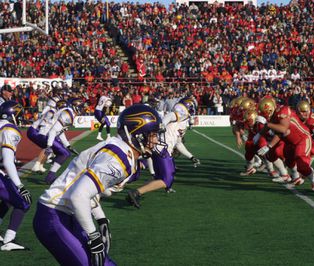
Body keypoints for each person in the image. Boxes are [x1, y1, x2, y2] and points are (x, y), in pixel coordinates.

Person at [33, 104, 163, 265]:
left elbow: (87, 189)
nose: (156, 140)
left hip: (66, 214)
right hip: (55, 215)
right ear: (136, 133)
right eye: (153, 134)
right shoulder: (118, 159)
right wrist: (94, 237)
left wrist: (101, 218)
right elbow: (79, 195)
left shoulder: (118, 147)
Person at [126, 98, 199, 206]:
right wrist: (162, 125)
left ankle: (135, 190)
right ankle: (135, 192)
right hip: (161, 149)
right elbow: (170, 116)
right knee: (167, 180)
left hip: (163, 149)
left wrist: (191, 157)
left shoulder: (184, 122)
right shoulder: (179, 115)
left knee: (160, 177)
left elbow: (178, 143)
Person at [258, 98, 314, 192]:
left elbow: (283, 129)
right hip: (290, 141)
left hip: (302, 139)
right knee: (288, 161)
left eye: (267, 112)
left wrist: (268, 127)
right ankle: (296, 178)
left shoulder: (282, 111)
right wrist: (261, 137)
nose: (266, 115)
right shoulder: (275, 116)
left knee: (302, 165)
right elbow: (280, 133)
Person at [0, 101, 32, 251]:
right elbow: (7, 161)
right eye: (19, 114)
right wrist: (20, 187)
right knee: (23, 202)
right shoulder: (9, 130)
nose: (20, 117)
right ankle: (8, 241)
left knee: (8, 200)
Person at [43, 98, 83, 184]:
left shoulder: (68, 112)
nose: (81, 109)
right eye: (80, 107)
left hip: (47, 134)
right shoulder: (68, 113)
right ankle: (50, 176)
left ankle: (50, 171)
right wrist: (49, 146)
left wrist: (68, 145)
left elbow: (59, 132)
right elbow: (53, 130)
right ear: (75, 106)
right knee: (64, 154)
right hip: (44, 134)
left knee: (64, 153)